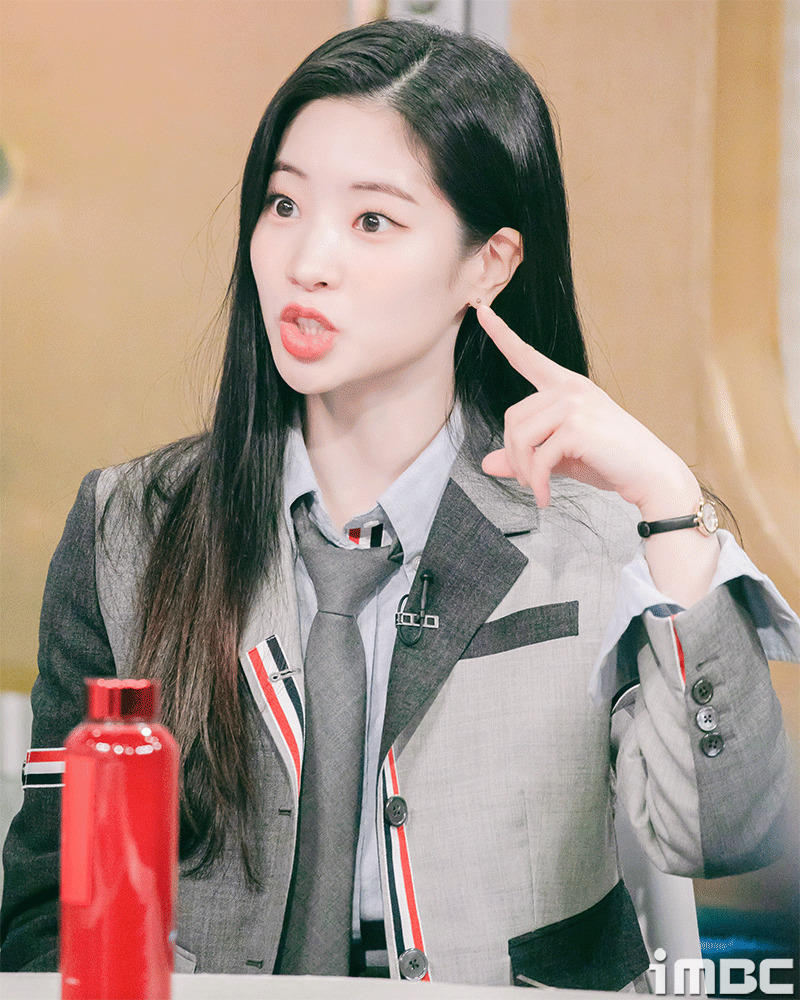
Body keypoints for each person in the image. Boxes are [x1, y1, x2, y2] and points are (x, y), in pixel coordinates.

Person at [2, 18, 798, 990]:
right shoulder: (130, 527)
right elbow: (47, 908)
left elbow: (727, 831)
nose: (307, 260)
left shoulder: (592, 534)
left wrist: (670, 507)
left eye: (371, 221)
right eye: (284, 204)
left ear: (488, 263)